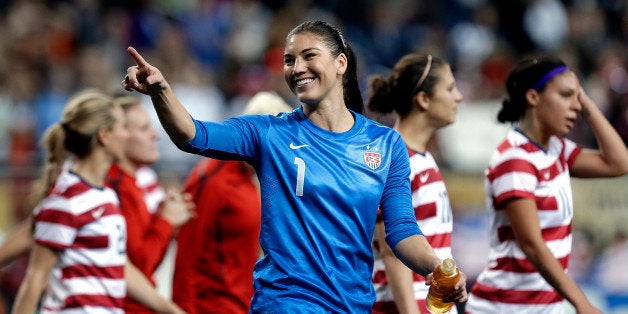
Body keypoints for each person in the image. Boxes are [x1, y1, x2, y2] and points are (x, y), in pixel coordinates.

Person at [123, 20, 468, 312]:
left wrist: (436, 267)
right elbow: (193, 135)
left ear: (340, 63)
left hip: (354, 304)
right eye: (289, 60)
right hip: (287, 303)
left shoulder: (385, 144)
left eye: (308, 56)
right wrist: (161, 92)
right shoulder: (269, 133)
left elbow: (402, 231)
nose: (296, 67)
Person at [464, 56, 628, 313]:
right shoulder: (515, 158)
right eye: (565, 96)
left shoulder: (556, 150)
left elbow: (619, 163)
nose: (574, 106)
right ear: (533, 97)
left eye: (577, 98)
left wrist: (586, 104)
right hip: (505, 307)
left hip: (542, 306)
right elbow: (531, 244)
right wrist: (581, 302)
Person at [10, 90, 185, 313]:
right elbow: (35, 278)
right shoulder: (68, 199)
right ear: (104, 135)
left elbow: (120, 266)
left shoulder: (103, 193)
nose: (126, 135)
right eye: (122, 127)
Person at [172, 91, 292, 314]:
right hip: (212, 307)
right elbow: (187, 254)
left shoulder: (258, 179)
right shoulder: (214, 178)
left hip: (246, 304)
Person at [367, 53, 463, 313]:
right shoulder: (392, 159)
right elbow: (391, 252)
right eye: (450, 88)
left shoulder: (421, 156)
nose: (459, 97)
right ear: (424, 99)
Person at [107, 95, 194, 313]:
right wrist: (166, 221)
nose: (155, 135)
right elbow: (139, 267)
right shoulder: (115, 187)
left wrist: (165, 220)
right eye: (144, 129)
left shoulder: (132, 183)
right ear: (121, 135)